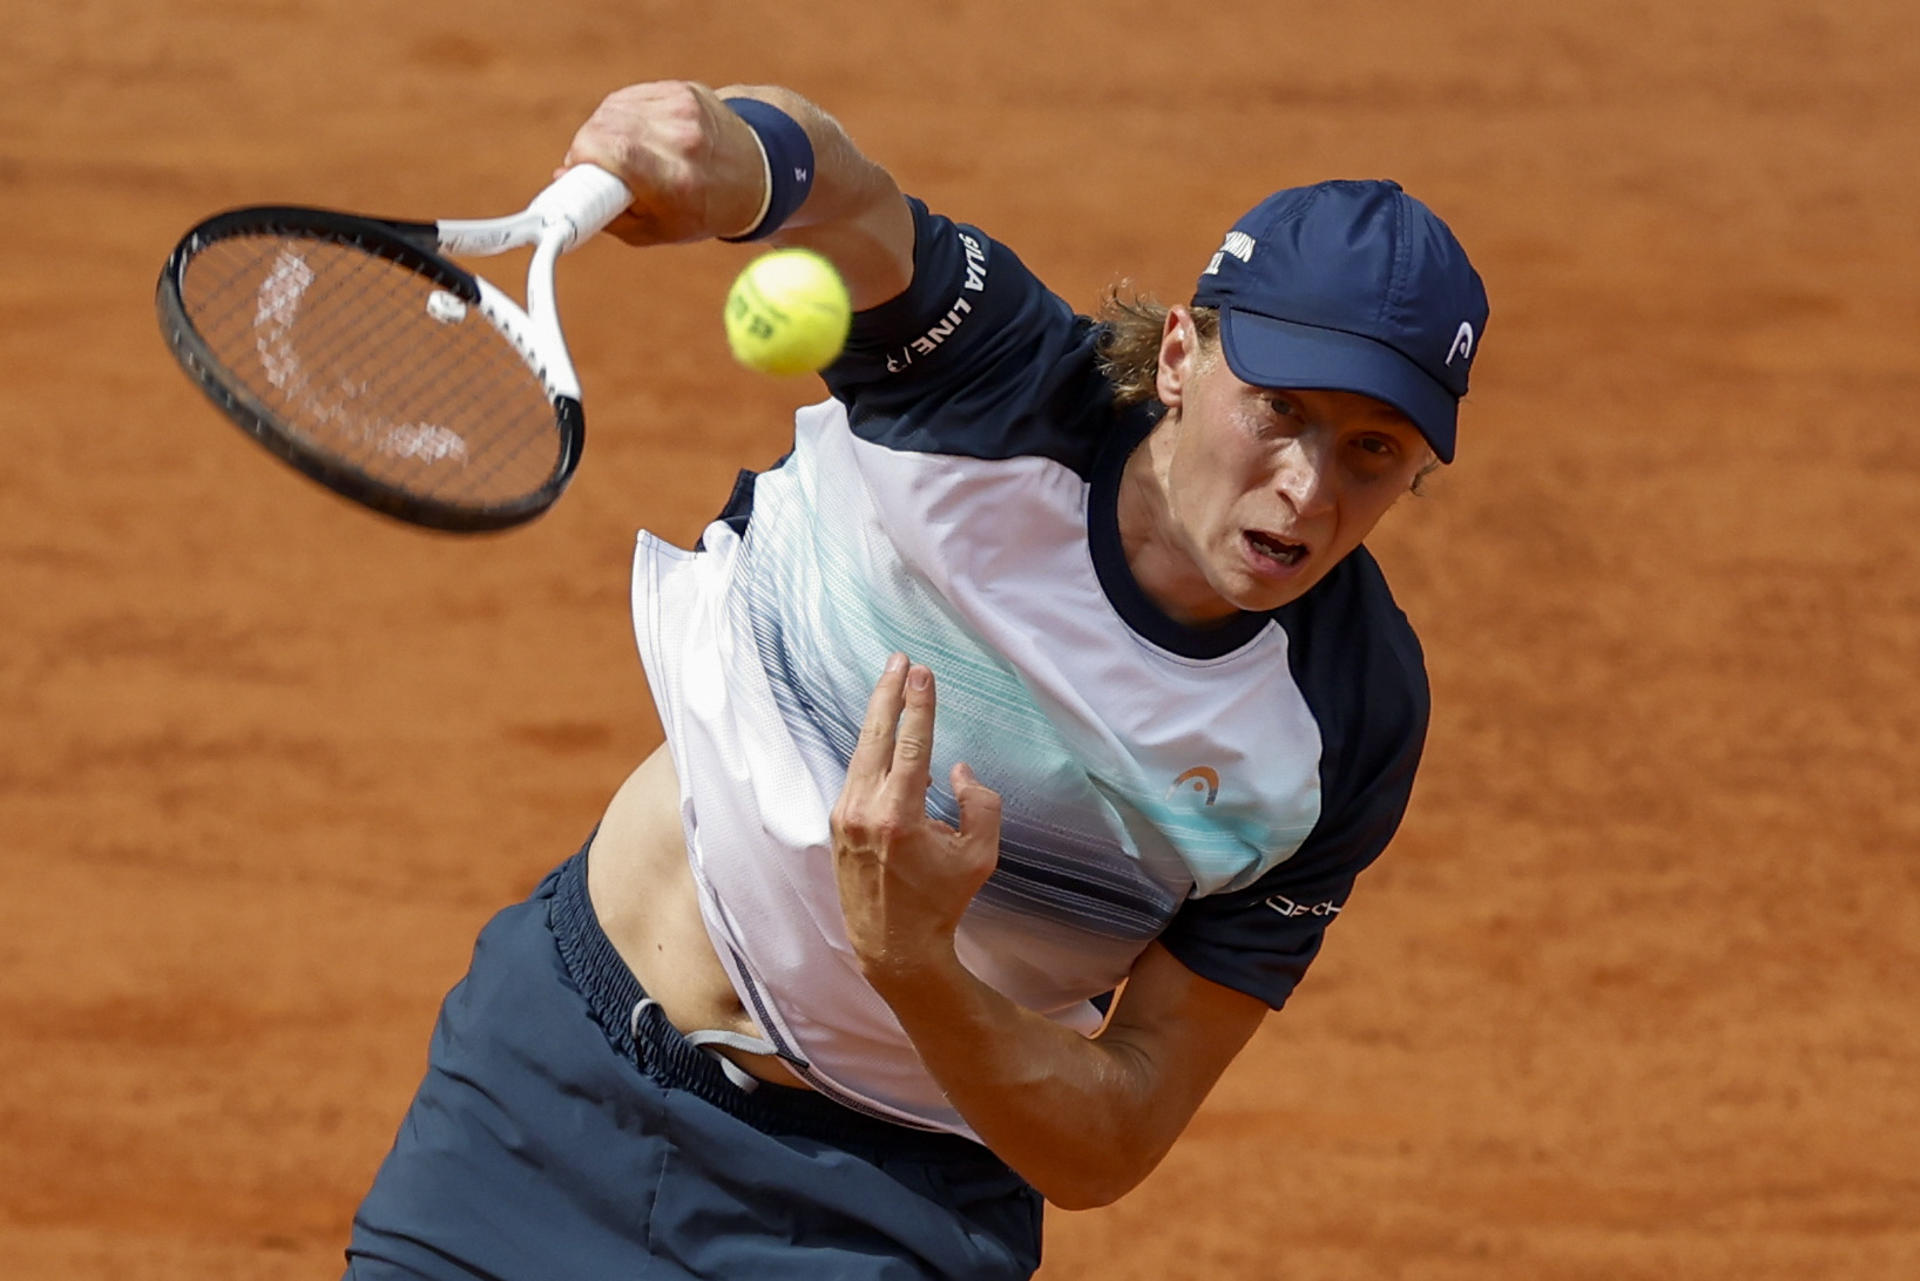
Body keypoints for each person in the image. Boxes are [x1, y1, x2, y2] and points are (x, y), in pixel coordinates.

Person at [344, 79, 1489, 1281]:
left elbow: (1116, 1134)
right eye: (1279, 411)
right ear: (1183, 358)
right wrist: (742, 151)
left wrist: (914, 964)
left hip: (876, 1222)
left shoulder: (1344, 722)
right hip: (552, 1077)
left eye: (1371, 451)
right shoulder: (990, 386)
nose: (1307, 490)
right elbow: (854, 202)